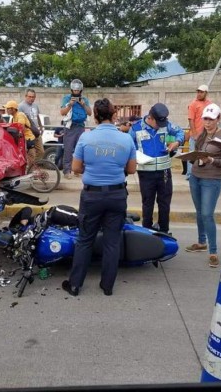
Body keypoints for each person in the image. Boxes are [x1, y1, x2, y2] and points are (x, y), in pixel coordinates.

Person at [61, 98, 136, 297]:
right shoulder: (126, 139)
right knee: (112, 242)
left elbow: (76, 168)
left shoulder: (86, 138)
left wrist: (93, 168)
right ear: (113, 116)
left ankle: (75, 285)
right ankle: (107, 286)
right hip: (117, 194)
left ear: (94, 117)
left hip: (92, 195)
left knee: (85, 240)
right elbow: (131, 169)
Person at [185, 104, 221, 268]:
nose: (207, 122)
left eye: (211, 119)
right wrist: (190, 157)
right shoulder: (202, 134)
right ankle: (201, 242)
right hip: (196, 177)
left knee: (207, 214)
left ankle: (213, 251)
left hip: (211, 180)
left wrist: (212, 160)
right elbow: (197, 154)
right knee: (199, 212)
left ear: (218, 119)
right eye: (205, 119)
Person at [128, 103, 185, 234]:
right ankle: (147, 232)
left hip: (164, 172)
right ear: (151, 118)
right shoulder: (136, 128)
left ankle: (164, 231)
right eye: (158, 123)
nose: (161, 126)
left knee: (164, 204)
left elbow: (180, 132)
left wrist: (176, 143)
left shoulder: (166, 125)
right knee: (147, 204)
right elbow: (129, 146)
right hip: (145, 173)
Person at [59, 79, 92, 179]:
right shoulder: (66, 98)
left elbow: (90, 112)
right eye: (74, 90)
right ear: (71, 90)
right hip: (70, 126)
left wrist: (83, 104)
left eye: (78, 91)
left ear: (81, 90)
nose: (76, 92)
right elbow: (62, 112)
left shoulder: (85, 99)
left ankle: (77, 170)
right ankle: (66, 171)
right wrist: (70, 104)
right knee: (68, 149)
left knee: (80, 149)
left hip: (81, 126)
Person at [187, 84, 212, 180]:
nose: (199, 94)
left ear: (206, 93)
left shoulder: (210, 104)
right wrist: (194, 134)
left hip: (206, 135)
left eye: (201, 92)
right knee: (193, 154)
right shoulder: (193, 104)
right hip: (196, 135)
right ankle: (190, 174)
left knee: (204, 154)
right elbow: (191, 119)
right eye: (198, 92)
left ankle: (202, 173)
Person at [4, 100, 37, 165]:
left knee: (30, 160)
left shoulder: (20, 115)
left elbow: (20, 128)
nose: (6, 110)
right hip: (22, 140)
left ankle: (33, 173)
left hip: (28, 139)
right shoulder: (13, 117)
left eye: (8, 108)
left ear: (13, 109)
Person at [18, 88, 44, 160]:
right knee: (31, 153)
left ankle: (34, 166)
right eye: (30, 97)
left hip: (36, 132)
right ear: (26, 96)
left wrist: (41, 127)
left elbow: (37, 116)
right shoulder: (21, 106)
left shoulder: (35, 106)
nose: (31, 98)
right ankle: (30, 169)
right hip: (27, 133)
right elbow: (18, 119)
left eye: (33, 97)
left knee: (41, 151)